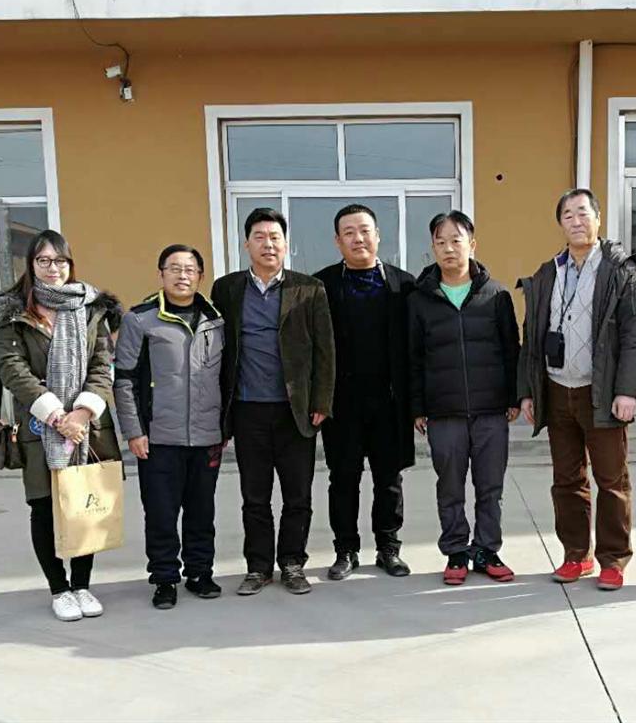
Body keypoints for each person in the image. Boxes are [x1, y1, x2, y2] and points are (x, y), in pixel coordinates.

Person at [0, 230, 122, 622]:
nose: (52, 268)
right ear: (31, 265)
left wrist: (81, 414)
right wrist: (58, 417)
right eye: (43, 261)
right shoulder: (13, 313)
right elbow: (14, 370)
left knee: (84, 502)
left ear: (70, 264)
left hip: (87, 426)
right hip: (40, 426)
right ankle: (59, 589)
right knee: (44, 507)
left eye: (59, 260)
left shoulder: (91, 309)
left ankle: (82, 585)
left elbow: (102, 366)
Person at [517, 188, 636, 591]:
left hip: (602, 392)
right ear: (560, 223)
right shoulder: (548, 273)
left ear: (597, 219)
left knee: (611, 480)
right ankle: (577, 554)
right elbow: (531, 336)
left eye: (582, 213)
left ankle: (613, 559)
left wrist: (627, 391)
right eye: (567, 215)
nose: (576, 221)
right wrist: (529, 391)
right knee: (566, 480)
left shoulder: (621, 272)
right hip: (558, 389)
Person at [211, 208, 335, 596]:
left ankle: (293, 563)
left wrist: (322, 400)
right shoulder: (227, 289)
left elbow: (325, 350)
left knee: (298, 495)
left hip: (294, 410)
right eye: (260, 237)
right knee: (255, 496)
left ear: (286, 244)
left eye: (275, 237)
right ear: (246, 244)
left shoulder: (309, 288)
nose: (268, 244)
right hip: (247, 409)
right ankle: (258, 566)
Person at [408, 210, 520, 585]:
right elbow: (413, 358)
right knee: (450, 487)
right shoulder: (420, 300)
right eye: (440, 242)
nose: (448, 248)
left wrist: (513, 397)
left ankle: (487, 549)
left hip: (491, 411)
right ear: (432, 248)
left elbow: (511, 350)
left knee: (490, 487)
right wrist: (417, 407)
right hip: (444, 412)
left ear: (472, 244)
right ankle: (456, 551)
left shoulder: (496, 295)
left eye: (456, 240)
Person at [113, 244, 225, 609]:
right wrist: (134, 431)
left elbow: (226, 377)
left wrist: (224, 427)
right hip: (158, 436)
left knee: (201, 511)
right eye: (174, 268)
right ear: (161, 274)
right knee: (161, 513)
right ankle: (164, 579)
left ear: (200, 276)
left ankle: (200, 573)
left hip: (207, 435)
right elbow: (124, 379)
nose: (182, 275)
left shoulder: (216, 320)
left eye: (190, 269)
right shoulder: (140, 320)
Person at [314, 204, 416, 580]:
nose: (358, 238)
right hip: (341, 403)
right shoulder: (321, 285)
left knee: (389, 480)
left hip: (390, 402)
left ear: (378, 236)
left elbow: (415, 348)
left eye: (365, 230)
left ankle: (388, 548)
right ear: (337, 240)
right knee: (343, 479)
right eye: (349, 232)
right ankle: (346, 550)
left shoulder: (404, 285)